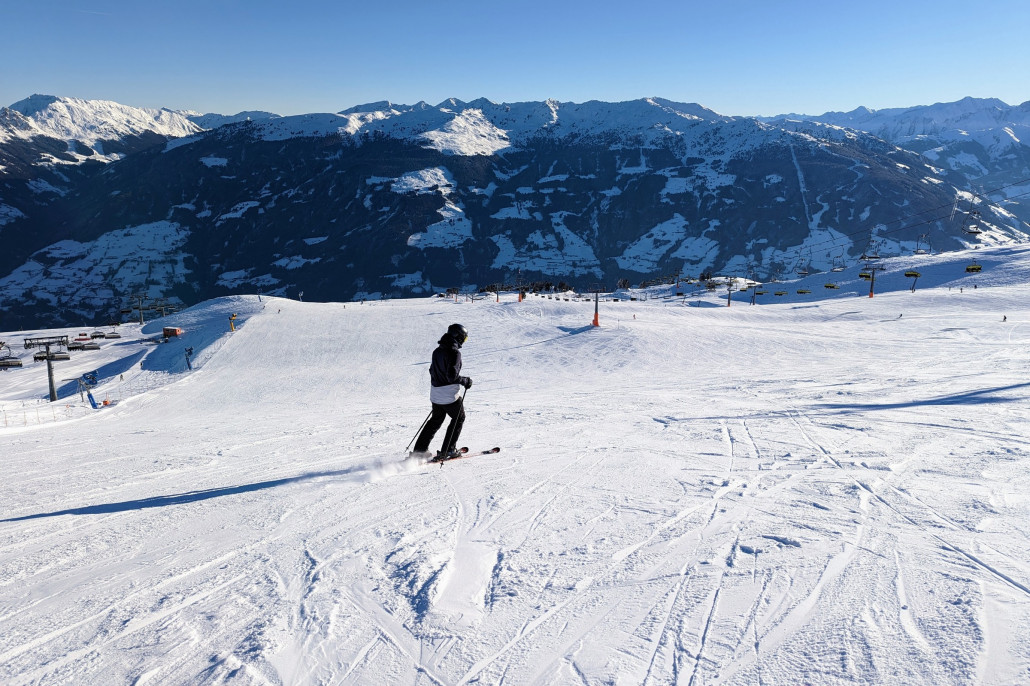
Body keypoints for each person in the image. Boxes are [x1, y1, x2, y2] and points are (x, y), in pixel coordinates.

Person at [411, 324, 473, 459]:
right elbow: (452, 376)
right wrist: (465, 381)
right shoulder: (455, 353)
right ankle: (449, 449)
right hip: (449, 395)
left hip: (435, 394)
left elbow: (431, 371)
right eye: (464, 338)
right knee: (459, 418)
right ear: (458, 336)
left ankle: (419, 451)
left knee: (436, 420)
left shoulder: (437, 351)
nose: (464, 341)